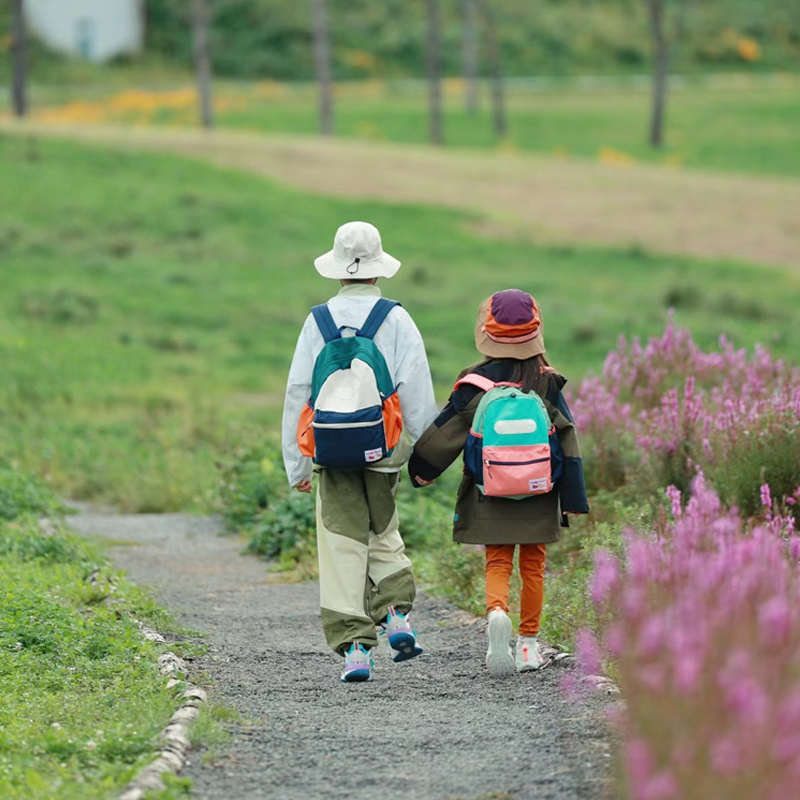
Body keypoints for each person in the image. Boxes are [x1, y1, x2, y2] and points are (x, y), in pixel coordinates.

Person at [282, 221, 438, 683]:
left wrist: (297, 462)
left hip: (329, 449)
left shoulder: (318, 321)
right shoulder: (396, 318)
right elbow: (415, 387)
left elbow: (298, 392)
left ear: (336, 269)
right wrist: (421, 452)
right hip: (383, 448)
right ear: (378, 269)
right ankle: (396, 615)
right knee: (383, 529)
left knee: (340, 542)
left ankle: (355, 649)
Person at [408, 289, 589, 676]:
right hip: (539, 490)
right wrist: (573, 497)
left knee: (498, 560)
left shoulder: (473, 384)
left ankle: (496, 613)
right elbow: (568, 435)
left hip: (488, 489)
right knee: (534, 565)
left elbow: (447, 433)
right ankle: (527, 645)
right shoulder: (546, 381)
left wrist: (421, 469)